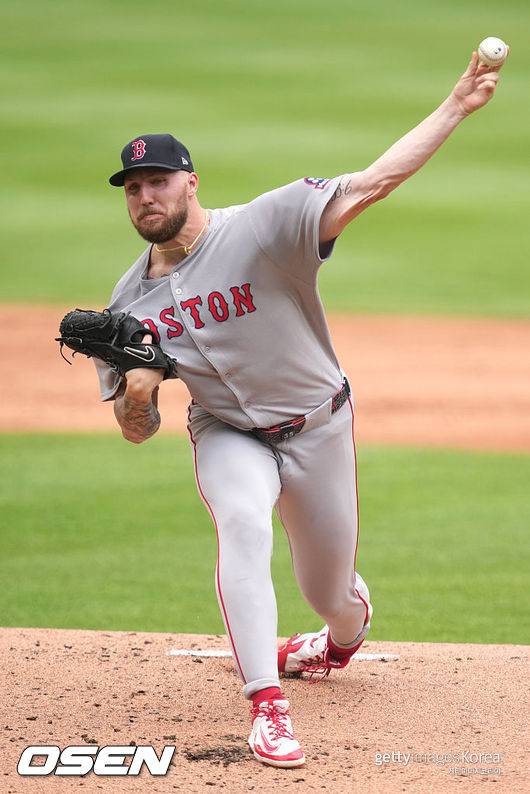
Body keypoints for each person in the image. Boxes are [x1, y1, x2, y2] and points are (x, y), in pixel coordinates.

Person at [95, 51, 505, 768]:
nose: (145, 197)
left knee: (330, 595)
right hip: (228, 432)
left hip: (319, 426)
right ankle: (267, 704)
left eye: (158, 181)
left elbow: (374, 181)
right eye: (133, 188)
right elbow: (138, 431)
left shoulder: (265, 226)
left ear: (191, 182)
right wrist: (136, 392)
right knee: (243, 522)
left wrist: (456, 106)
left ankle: (341, 634)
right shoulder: (126, 306)